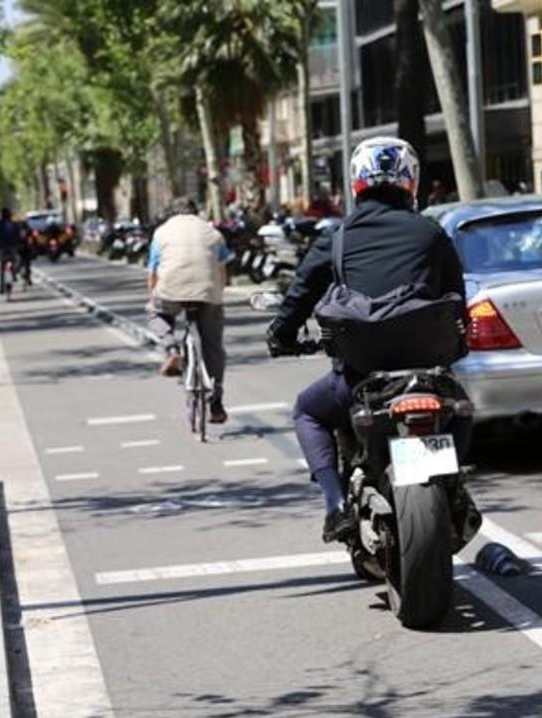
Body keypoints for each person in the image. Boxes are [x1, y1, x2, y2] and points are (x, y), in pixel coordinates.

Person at [266, 137, 471, 543]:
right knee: (460, 410)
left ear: (357, 182)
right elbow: (456, 299)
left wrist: (281, 335)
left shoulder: (337, 238)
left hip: (361, 376)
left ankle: (335, 506)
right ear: (410, 180)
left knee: (307, 411)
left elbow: (301, 293)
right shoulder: (431, 233)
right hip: (426, 373)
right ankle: (452, 487)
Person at [146, 198, 230, 424]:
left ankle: (172, 349)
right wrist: (217, 295)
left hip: (171, 291)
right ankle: (216, 403)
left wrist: (152, 297)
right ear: (196, 213)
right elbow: (222, 271)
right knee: (213, 345)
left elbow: (153, 273)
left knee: (155, 314)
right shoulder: (213, 233)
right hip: (208, 292)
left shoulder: (161, 233)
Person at [0, 208, 21, 294]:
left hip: (2, 247)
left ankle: (1, 287)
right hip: (12, 247)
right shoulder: (13, 224)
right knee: (16, 261)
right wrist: (19, 244)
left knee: (2, 267)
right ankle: (14, 274)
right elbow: (18, 235)